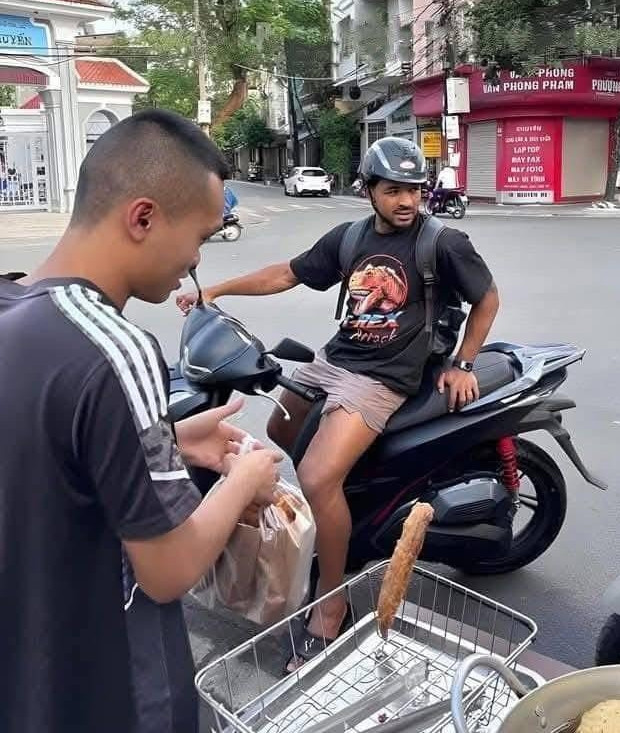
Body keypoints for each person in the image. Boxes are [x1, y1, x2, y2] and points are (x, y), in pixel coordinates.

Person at [0, 109, 281, 733]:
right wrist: (245, 481)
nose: (195, 262)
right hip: (113, 690)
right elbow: (168, 569)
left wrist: (173, 440)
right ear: (143, 218)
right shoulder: (114, 348)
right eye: (199, 237)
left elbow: (43, 457)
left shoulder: (11, 305)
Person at [176, 136, 499, 671]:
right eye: (392, 190)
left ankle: (332, 601)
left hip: (384, 377)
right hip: (336, 359)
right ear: (368, 189)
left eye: (414, 190)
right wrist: (216, 291)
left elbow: (486, 298)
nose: (406, 201)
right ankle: (343, 508)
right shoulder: (350, 237)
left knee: (316, 477)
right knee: (280, 429)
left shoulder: (443, 243)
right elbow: (286, 273)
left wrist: (463, 362)